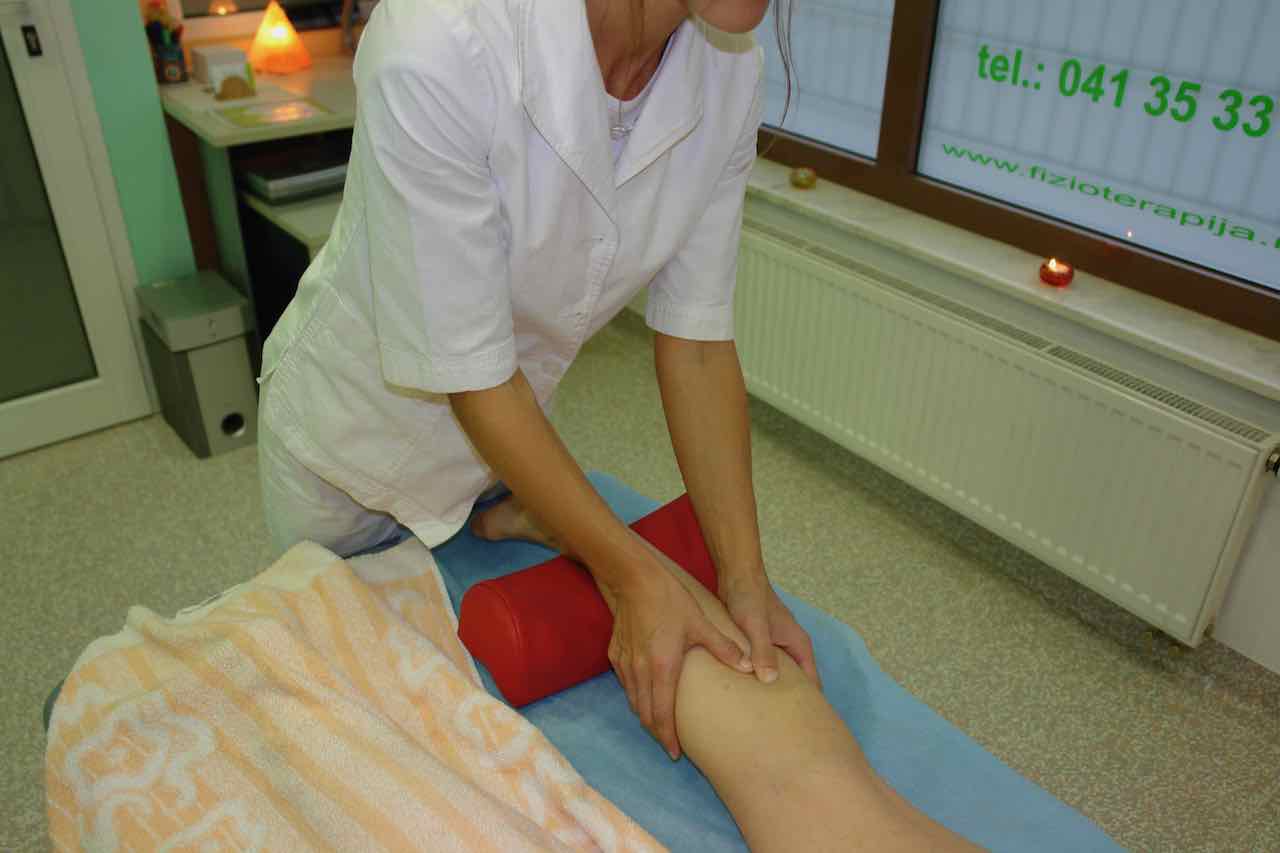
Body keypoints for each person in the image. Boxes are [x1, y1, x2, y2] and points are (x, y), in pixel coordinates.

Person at [257, 0, 815, 761]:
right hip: (353, 454)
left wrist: (744, 579)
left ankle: (505, 514)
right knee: (359, 723)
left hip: (509, 445)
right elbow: (473, 377)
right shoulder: (438, 38)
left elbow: (696, 341)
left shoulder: (728, 71)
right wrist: (633, 579)